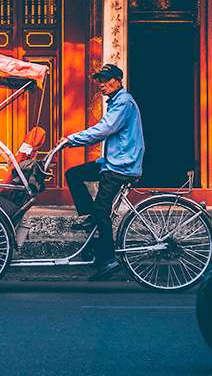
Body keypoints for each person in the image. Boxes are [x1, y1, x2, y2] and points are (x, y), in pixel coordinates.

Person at [63, 63, 145, 280]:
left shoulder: (123, 103)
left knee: (102, 211)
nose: (101, 84)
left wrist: (72, 139)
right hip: (110, 162)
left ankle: (108, 259)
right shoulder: (116, 102)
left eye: (105, 79)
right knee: (73, 174)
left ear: (118, 80)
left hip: (121, 166)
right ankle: (90, 217)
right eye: (99, 80)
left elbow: (104, 129)